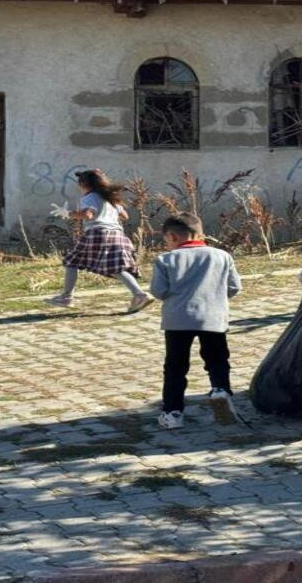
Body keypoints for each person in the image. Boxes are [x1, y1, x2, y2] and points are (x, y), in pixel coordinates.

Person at [150, 213, 242, 430]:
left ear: (172, 237)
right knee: (217, 359)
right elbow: (234, 287)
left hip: (177, 320)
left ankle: (172, 413)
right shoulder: (221, 256)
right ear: (200, 233)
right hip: (213, 317)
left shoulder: (166, 259)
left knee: (175, 366)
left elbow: (158, 290)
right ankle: (220, 390)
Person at [47, 169, 153, 313]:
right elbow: (125, 216)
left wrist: (68, 213)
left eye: (80, 184)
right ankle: (140, 295)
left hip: (98, 234)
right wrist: (108, 215)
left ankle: (66, 297)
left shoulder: (89, 197)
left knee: (72, 262)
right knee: (116, 268)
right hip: (117, 235)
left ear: (84, 184)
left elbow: (88, 215)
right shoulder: (110, 198)